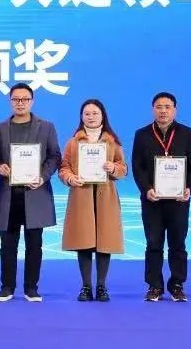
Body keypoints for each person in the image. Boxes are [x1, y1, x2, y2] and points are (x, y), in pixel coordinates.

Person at [0, 83, 61, 302]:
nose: (20, 103)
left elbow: (55, 157)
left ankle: (31, 288)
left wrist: (43, 176)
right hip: (8, 195)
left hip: (35, 193)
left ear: (32, 101)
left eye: (24, 99)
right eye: (16, 99)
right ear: (10, 101)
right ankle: (7, 287)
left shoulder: (46, 127)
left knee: (34, 245)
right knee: (7, 245)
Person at [131, 92, 191, 302]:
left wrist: (189, 188)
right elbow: (137, 167)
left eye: (167, 107)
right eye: (159, 107)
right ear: (153, 109)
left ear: (175, 110)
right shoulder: (142, 134)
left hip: (179, 200)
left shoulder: (187, 133)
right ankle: (154, 286)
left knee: (178, 243)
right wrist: (146, 189)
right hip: (152, 200)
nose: (163, 111)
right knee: (153, 243)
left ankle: (177, 285)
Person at [59, 99, 126, 302]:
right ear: (81, 117)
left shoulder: (112, 141)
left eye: (95, 113)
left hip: (106, 197)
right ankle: (86, 286)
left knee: (105, 242)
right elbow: (64, 167)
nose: (91, 117)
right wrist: (70, 178)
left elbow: (123, 168)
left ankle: (102, 286)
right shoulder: (73, 142)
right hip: (82, 196)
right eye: (87, 113)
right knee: (84, 242)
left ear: (103, 115)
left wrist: (113, 168)